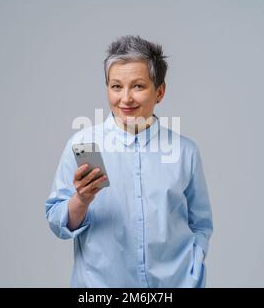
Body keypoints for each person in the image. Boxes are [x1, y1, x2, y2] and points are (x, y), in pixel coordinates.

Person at [45, 35, 213, 287]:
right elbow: (57, 223)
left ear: (160, 91)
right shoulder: (81, 146)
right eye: (116, 86)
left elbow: (200, 223)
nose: (125, 99)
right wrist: (81, 199)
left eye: (137, 86)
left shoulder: (185, 151)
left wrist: (195, 265)